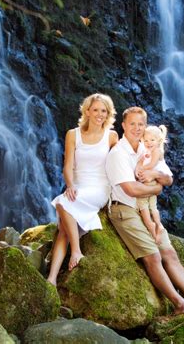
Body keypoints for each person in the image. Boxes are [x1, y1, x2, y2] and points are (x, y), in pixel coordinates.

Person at [106, 107, 184, 315]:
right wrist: (156, 187)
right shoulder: (119, 153)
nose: (136, 128)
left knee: (169, 252)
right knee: (153, 256)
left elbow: (168, 179)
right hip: (124, 210)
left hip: (145, 208)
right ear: (124, 125)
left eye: (140, 124)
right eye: (132, 124)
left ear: (146, 127)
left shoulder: (148, 149)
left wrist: (154, 174)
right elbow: (132, 189)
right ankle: (180, 304)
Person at [47, 93, 118, 286]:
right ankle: (52, 278)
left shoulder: (111, 136)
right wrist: (70, 185)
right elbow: (68, 166)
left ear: (108, 114)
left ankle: (76, 251)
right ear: (87, 111)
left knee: (62, 203)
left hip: (99, 188)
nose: (99, 114)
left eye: (104, 111)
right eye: (95, 110)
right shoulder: (73, 134)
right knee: (63, 229)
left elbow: (120, 164)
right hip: (78, 186)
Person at [135, 125, 168, 244]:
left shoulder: (157, 151)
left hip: (149, 182)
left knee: (142, 205)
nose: (149, 143)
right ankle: (158, 226)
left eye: (152, 140)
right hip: (151, 182)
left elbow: (152, 164)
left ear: (159, 141)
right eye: (146, 140)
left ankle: (152, 228)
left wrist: (141, 168)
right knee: (152, 206)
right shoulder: (150, 151)